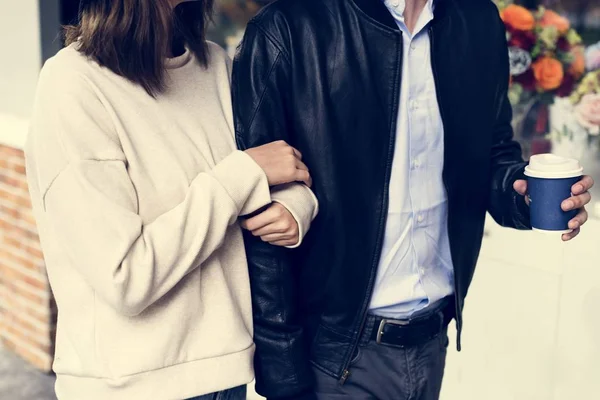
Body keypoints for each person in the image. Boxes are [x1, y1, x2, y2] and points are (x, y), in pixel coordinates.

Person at [232, 0, 595, 399]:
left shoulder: (476, 19)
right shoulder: (288, 25)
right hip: (333, 357)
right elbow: (259, 219)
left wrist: (521, 195)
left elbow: (491, 152)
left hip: (432, 342)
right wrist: (283, 377)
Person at [25, 0, 318, 399]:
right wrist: (243, 177)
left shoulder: (214, 65)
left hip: (227, 376)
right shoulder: (73, 83)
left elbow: (279, 166)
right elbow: (125, 275)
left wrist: (295, 208)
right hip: (131, 387)